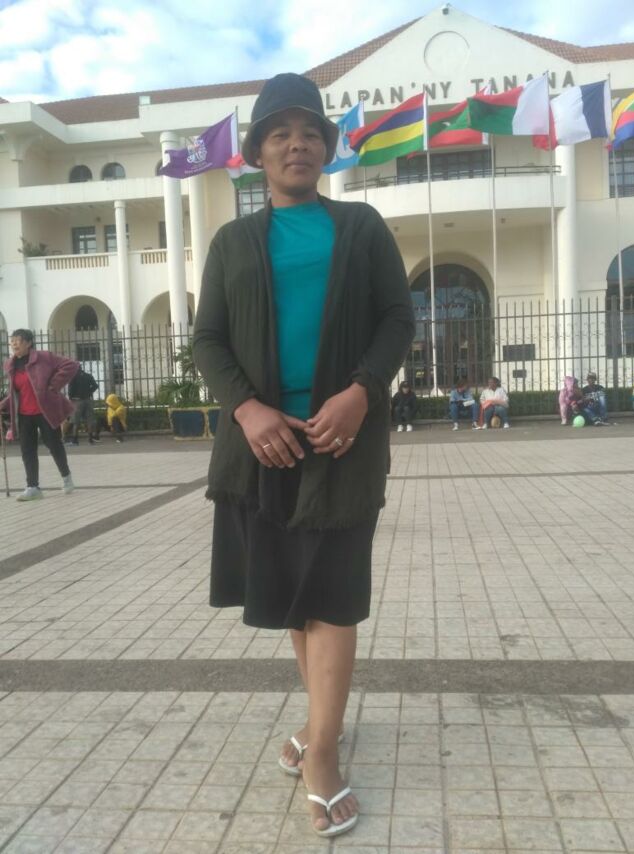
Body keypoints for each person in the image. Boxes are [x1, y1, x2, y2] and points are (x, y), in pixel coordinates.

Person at [192, 73, 414, 838]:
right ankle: (323, 722)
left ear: (327, 148)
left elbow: (397, 319)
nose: (298, 144)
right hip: (265, 446)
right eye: (281, 134)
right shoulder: (232, 242)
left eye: (311, 132)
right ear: (257, 153)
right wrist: (247, 409)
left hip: (341, 440)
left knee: (334, 595)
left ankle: (322, 752)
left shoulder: (361, 226)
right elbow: (208, 340)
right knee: (295, 596)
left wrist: (362, 392)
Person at [0, 328, 78, 501]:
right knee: (27, 450)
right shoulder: (11, 365)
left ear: (29, 343)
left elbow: (71, 365)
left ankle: (66, 477)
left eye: (18, 341)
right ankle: (33, 487)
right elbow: (15, 393)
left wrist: (53, 385)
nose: (14, 344)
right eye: (12, 341)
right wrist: (3, 405)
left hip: (45, 412)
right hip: (24, 414)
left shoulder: (44, 357)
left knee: (54, 445)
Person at [66, 367, 99, 445]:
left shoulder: (73, 376)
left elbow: (70, 389)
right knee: (89, 419)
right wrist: (89, 392)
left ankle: (75, 440)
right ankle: (90, 439)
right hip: (88, 400)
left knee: (76, 421)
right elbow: (95, 386)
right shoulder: (88, 376)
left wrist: (71, 397)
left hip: (77, 400)